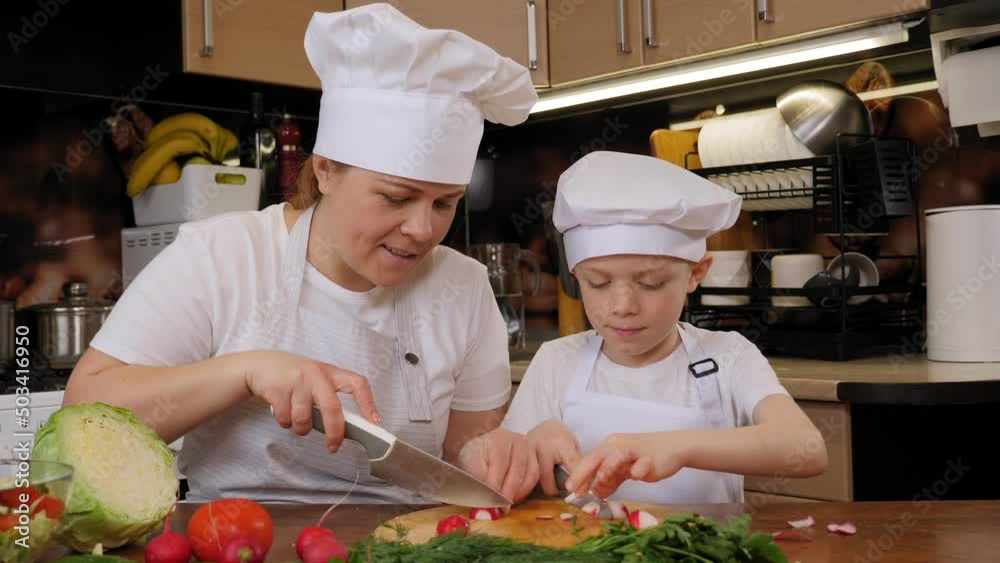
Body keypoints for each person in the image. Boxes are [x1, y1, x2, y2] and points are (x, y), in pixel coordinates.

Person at [64, 4, 541, 505]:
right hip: (233, 535)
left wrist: (493, 456)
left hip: (410, 537)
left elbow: (465, 458)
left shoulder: (463, 287)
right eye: (396, 198)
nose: (423, 230)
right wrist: (244, 372)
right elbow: (84, 415)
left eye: (445, 203)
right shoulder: (221, 256)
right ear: (326, 170)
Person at [501, 151, 828, 505]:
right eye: (598, 283)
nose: (624, 306)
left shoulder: (728, 356)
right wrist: (535, 440)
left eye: (651, 283)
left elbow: (807, 448)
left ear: (696, 273)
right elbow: (502, 485)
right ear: (575, 276)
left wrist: (677, 446)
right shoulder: (556, 362)